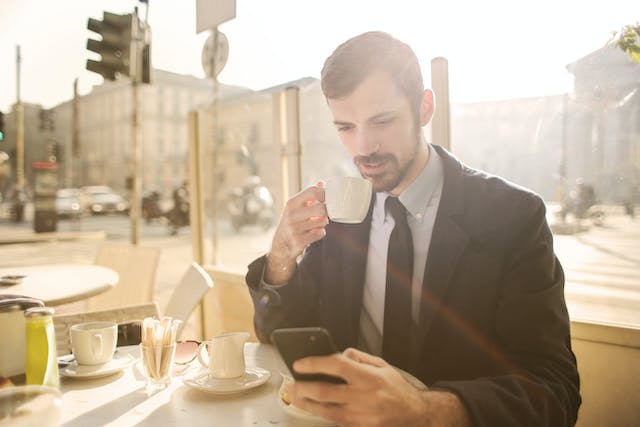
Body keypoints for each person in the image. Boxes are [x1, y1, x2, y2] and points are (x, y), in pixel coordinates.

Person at [245, 31, 580, 426]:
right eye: (345, 127)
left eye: (381, 121)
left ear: (424, 108)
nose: (363, 147)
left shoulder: (512, 216)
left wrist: (424, 410)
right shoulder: (341, 212)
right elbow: (279, 335)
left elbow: (555, 393)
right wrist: (282, 253)